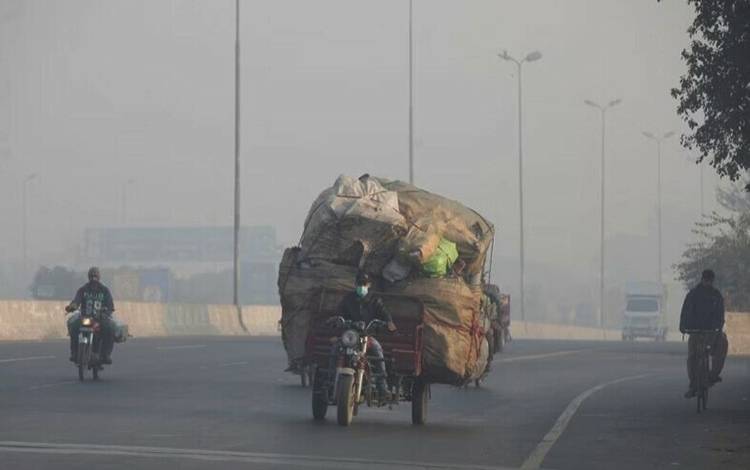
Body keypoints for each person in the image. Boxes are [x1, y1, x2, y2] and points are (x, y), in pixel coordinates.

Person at [336, 272, 397, 398]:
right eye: (359, 284)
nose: (361, 286)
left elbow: (384, 312)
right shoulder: (348, 299)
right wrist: (338, 320)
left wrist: (389, 322)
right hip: (350, 336)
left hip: (366, 336)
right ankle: (331, 380)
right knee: (334, 350)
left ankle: (382, 386)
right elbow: (339, 312)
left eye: (364, 284)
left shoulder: (375, 300)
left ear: (369, 285)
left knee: (378, 352)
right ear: (355, 284)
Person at [679, 269, 729, 398]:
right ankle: (693, 384)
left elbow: (720, 314)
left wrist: (718, 328)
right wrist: (683, 326)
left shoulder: (716, 295)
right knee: (692, 356)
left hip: (712, 332)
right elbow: (685, 312)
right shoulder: (693, 294)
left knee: (722, 343)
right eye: (706, 280)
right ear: (702, 279)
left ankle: (713, 375)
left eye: (709, 280)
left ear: (712, 281)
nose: (708, 282)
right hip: (695, 331)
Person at [65, 267, 116, 364]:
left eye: (95, 276)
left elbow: (110, 305)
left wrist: (106, 312)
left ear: (99, 277)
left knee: (109, 329)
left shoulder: (104, 290)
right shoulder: (83, 289)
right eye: (92, 276)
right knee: (74, 328)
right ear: (88, 277)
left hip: (100, 318)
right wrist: (72, 307)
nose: (93, 279)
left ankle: (106, 355)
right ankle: (74, 353)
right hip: (85, 318)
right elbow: (76, 301)